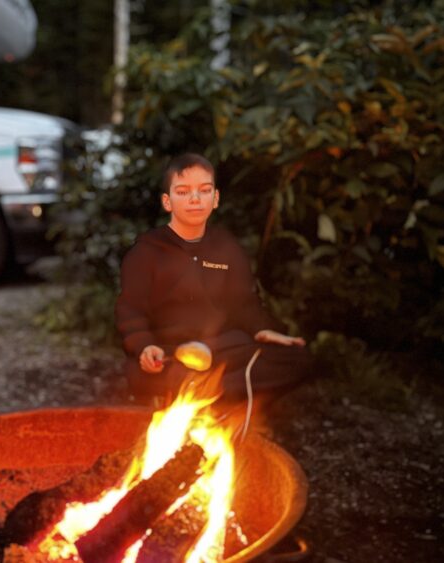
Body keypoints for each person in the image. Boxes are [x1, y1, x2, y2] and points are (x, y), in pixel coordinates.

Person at [115, 153, 312, 406]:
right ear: (167, 201)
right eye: (183, 192)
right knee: (142, 374)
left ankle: (209, 391)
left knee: (296, 358)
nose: (195, 199)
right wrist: (145, 347)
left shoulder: (226, 247)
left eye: (204, 190)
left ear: (215, 198)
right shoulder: (146, 252)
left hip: (220, 351)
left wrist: (262, 330)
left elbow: (245, 304)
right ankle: (207, 393)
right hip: (169, 356)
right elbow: (130, 310)